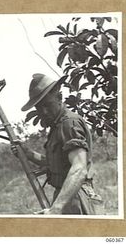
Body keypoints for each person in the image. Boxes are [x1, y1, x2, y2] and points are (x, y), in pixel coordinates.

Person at [12, 73, 102, 215]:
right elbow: (54, 163)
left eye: (48, 105)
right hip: (67, 197)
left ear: (59, 98)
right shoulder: (57, 126)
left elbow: (79, 168)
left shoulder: (68, 123)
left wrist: (56, 209)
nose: (44, 112)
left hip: (75, 198)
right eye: (39, 108)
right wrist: (28, 153)